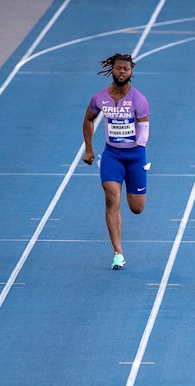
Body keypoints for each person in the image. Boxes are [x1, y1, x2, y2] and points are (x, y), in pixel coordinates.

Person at [82, 53, 150, 270]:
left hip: (135, 156)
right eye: (119, 68)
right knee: (112, 197)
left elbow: (145, 130)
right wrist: (89, 149)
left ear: (131, 72)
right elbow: (88, 120)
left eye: (126, 69)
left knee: (137, 208)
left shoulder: (139, 99)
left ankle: (135, 183)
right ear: (112, 70)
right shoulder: (99, 98)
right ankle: (118, 253)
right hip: (112, 155)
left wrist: (136, 151)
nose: (122, 72)